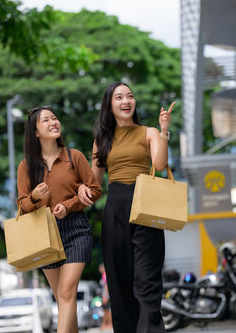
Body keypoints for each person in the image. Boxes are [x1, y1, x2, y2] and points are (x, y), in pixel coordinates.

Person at [79, 82, 175, 333]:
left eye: (130, 96)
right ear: (109, 105)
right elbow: (95, 184)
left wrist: (164, 130)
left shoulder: (149, 132)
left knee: (147, 280)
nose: (126, 101)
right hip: (115, 210)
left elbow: (160, 164)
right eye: (119, 97)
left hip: (146, 206)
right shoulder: (102, 139)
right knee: (119, 282)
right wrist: (83, 190)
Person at [17, 105, 102, 333]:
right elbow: (22, 206)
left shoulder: (75, 157)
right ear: (35, 132)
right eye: (45, 120)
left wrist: (70, 204)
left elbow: (95, 189)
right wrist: (35, 197)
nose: (53, 122)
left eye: (54, 118)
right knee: (64, 299)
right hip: (44, 235)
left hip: (76, 229)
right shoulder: (26, 166)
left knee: (66, 293)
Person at [98, 263, 112, 330]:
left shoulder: (105, 275)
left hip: (106, 296)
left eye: (100, 268)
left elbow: (106, 286)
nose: (99, 269)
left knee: (107, 311)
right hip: (105, 296)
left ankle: (109, 324)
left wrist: (105, 296)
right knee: (105, 310)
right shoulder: (103, 276)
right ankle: (106, 324)